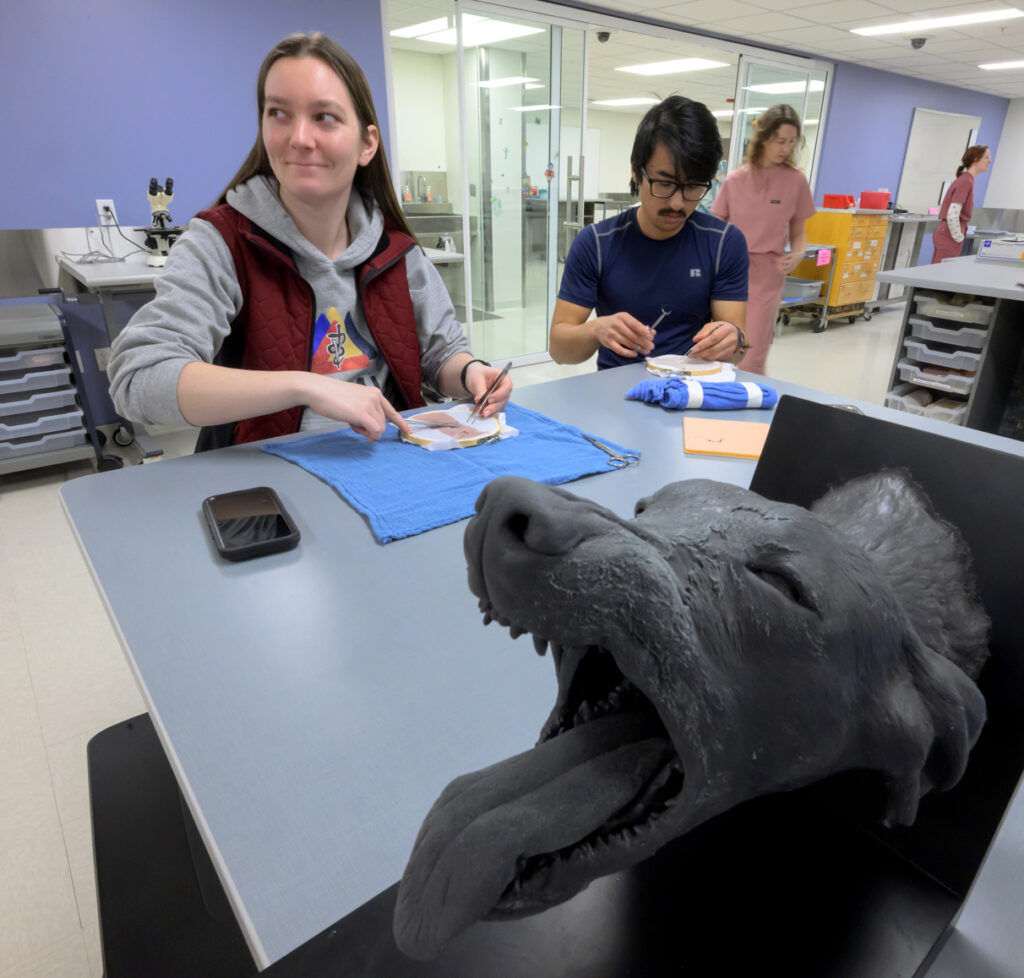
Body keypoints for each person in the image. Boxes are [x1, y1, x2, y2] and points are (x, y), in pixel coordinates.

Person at [107, 32, 511, 451]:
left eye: (324, 117)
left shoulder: (396, 252)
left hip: (388, 464)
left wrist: (470, 373)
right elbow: (138, 379)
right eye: (278, 113)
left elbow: (441, 354)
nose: (299, 137)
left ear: (367, 144)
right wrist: (305, 387)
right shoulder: (221, 242)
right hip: (267, 483)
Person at [549, 96, 750, 370]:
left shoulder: (724, 243)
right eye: (664, 183)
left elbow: (737, 350)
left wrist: (732, 340)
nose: (677, 203)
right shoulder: (596, 244)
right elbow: (560, 350)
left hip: (692, 391)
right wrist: (596, 330)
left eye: (692, 187)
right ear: (636, 172)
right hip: (615, 394)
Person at [711, 103, 816, 376]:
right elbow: (714, 229)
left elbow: (799, 232)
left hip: (768, 274)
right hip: (731, 270)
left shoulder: (796, 182)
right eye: (780, 141)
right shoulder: (736, 180)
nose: (785, 148)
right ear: (765, 138)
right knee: (722, 343)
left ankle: (747, 400)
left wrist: (798, 253)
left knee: (752, 350)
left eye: (792, 142)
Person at [931, 145, 991, 264]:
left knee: (941, 272)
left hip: (948, 233)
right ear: (976, 159)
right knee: (941, 273)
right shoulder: (966, 181)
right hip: (948, 234)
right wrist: (958, 237)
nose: (989, 161)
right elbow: (953, 214)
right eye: (986, 157)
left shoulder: (967, 180)